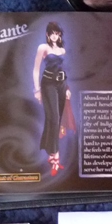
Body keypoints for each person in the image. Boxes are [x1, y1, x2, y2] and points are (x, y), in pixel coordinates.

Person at [33, 21, 70, 176]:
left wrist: (67, 88)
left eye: (57, 33)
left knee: (57, 119)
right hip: (48, 84)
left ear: (59, 35)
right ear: (48, 34)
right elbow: (36, 69)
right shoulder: (43, 47)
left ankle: (51, 154)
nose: (55, 36)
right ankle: (55, 157)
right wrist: (37, 90)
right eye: (52, 33)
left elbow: (63, 69)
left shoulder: (62, 50)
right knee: (53, 118)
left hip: (61, 84)